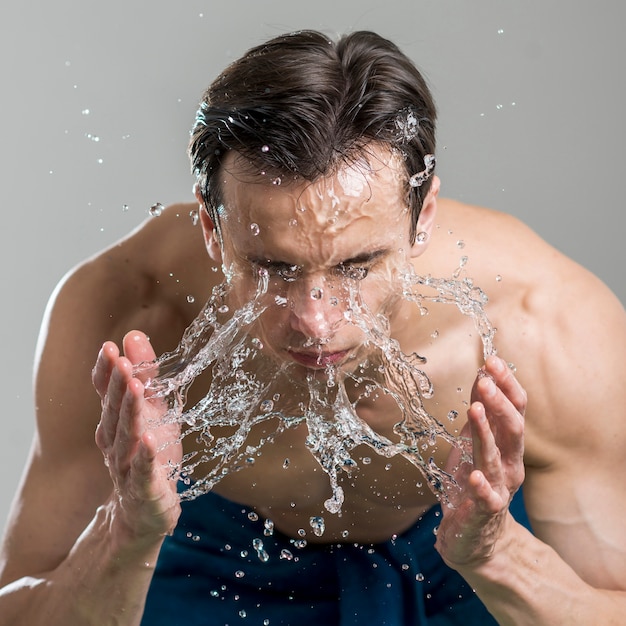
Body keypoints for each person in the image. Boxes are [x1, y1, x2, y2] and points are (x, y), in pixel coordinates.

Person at [1, 29, 625, 626]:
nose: (316, 320)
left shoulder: (542, 329)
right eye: (273, 266)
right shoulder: (127, 316)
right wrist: (126, 532)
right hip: (211, 550)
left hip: (458, 555)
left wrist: (498, 554)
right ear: (213, 230)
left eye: (358, 266)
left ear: (422, 216)